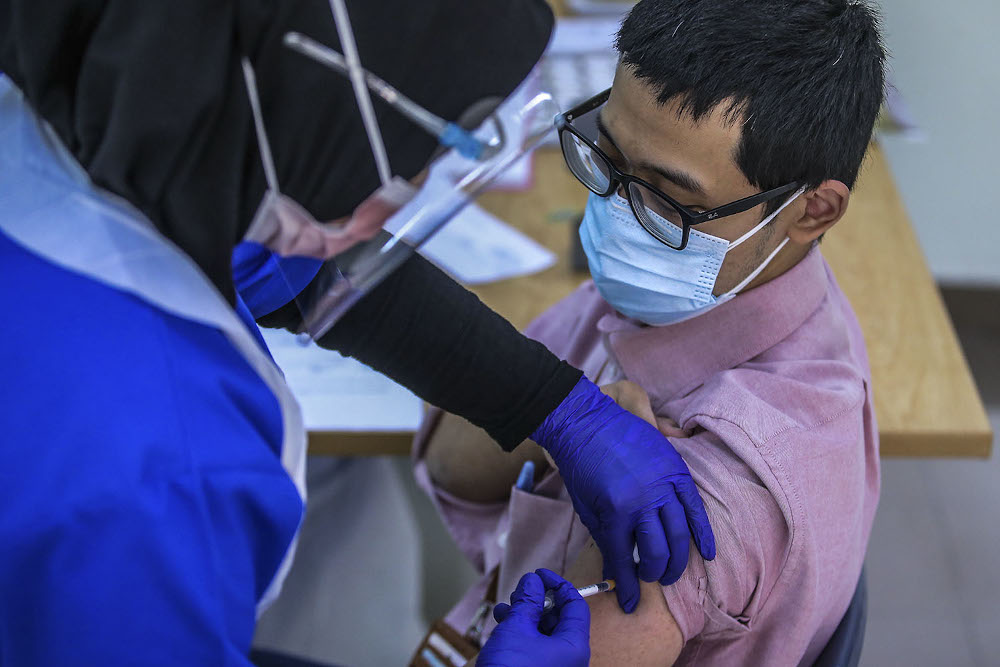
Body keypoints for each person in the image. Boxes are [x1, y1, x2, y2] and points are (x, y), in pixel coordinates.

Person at [0, 0, 712, 664]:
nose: (411, 184)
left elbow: (297, 273)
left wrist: (555, 405)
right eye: (421, 151)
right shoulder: (159, 479)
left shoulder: (108, 125)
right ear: (315, 105)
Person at [416, 0, 886, 664]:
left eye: (670, 198)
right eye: (605, 157)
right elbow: (448, 465)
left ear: (812, 209)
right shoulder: (682, 291)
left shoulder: (710, 496)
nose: (617, 216)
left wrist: (539, 408)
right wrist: (559, 414)